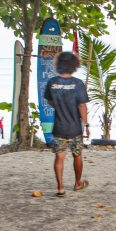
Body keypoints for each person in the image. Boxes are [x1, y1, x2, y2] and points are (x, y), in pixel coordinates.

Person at [42, 51, 90, 197]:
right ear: (74, 66)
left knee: (59, 157)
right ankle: (77, 183)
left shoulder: (52, 83)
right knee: (77, 155)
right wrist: (86, 125)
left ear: (58, 65)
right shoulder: (78, 84)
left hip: (59, 127)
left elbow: (50, 101)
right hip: (75, 128)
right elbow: (82, 106)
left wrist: (60, 106)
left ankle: (61, 188)